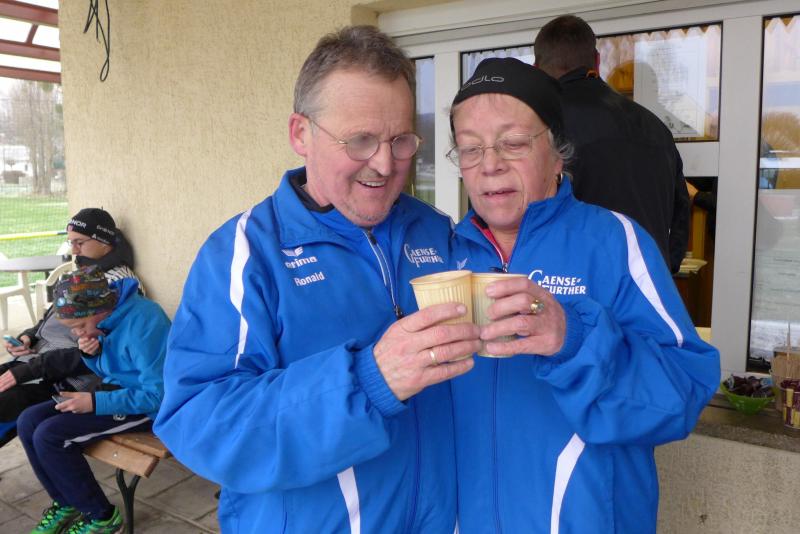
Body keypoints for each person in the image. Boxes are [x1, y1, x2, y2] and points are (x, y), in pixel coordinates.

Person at [154, 25, 480, 533]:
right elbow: (201, 424)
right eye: (361, 140)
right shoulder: (245, 253)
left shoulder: (435, 230)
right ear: (300, 134)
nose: (385, 164)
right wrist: (369, 382)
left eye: (400, 140)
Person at [446, 57, 720, 533]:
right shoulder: (445, 255)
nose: (490, 165)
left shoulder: (614, 242)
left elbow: (684, 392)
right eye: (470, 149)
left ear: (557, 153)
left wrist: (573, 339)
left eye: (513, 143)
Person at [17, 265, 169, 534]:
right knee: (28, 420)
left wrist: (94, 403)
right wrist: (93, 355)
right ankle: (66, 502)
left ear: (102, 308)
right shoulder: (104, 320)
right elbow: (112, 370)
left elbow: (158, 395)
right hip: (116, 391)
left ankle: (102, 518)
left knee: (51, 435)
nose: (77, 334)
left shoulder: (145, 322)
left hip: (148, 407)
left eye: (79, 326)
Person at [533, 14, 690, 273]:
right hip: (646, 283)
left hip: (574, 286)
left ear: (536, 69)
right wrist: (662, 274)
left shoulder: (543, 125)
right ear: (596, 61)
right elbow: (681, 215)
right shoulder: (655, 126)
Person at [0, 208, 143, 447]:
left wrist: (29, 370)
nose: (74, 250)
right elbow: (51, 318)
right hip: (36, 361)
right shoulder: (85, 271)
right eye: (71, 243)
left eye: (80, 242)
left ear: (104, 241)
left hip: (63, 376)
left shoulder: (121, 285)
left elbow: (104, 350)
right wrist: (29, 337)